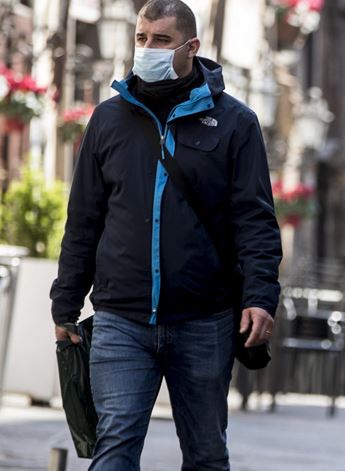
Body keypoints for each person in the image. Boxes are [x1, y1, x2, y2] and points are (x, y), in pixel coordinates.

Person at [50, 1, 282, 469]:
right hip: (121, 319)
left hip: (204, 320)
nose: (147, 49)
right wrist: (65, 305)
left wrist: (260, 296)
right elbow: (84, 220)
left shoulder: (236, 123)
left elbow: (254, 220)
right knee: (113, 446)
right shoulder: (108, 120)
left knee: (205, 453)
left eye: (161, 40)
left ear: (191, 47)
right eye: (141, 38)